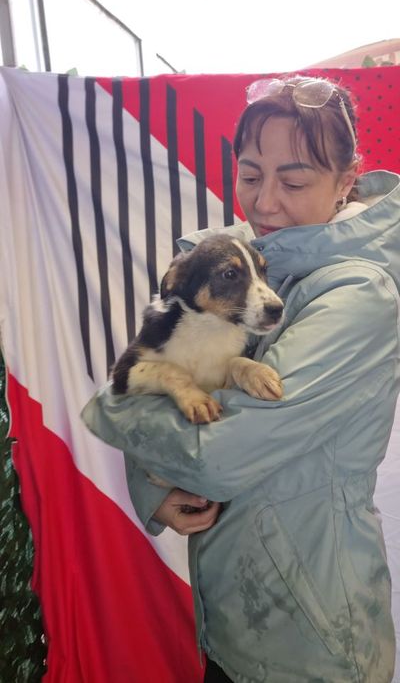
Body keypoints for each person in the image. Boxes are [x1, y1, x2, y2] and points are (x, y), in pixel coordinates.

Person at [82, 75, 400, 682]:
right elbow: (163, 372)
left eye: (294, 181)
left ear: (346, 180)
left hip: (311, 637)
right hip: (232, 608)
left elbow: (213, 458)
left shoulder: (357, 296)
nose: (265, 203)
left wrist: (111, 406)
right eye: (250, 175)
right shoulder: (249, 261)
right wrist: (152, 487)